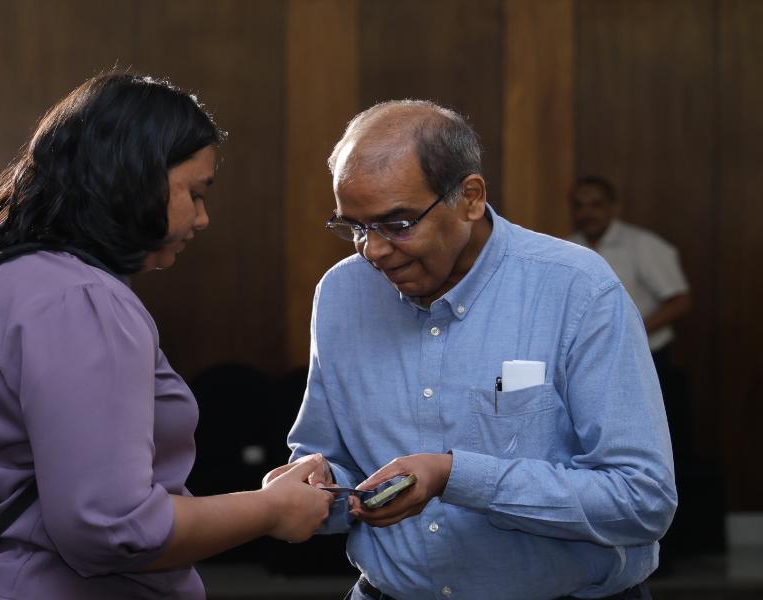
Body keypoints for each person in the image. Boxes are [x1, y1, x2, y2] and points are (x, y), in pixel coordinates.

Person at [273, 101, 677, 599]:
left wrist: (456, 477)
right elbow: (331, 461)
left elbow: (642, 500)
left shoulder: (576, 289)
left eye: (398, 224)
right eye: (354, 227)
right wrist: (316, 485)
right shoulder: (342, 294)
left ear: (470, 197)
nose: (372, 251)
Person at [0, 73, 332, 600]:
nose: (203, 218)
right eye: (194, 193)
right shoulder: (82, 300)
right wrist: (270, 509)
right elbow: (114, 529)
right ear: (134, 177)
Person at [567, 176, 691, 395]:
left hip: (647, 357)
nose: (587, 213)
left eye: (596, 205)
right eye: (579, 206)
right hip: (588, 361)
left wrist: (630, 331)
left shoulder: (642, 244)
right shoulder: (566, 248)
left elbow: (679, 300)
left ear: (614, 208)